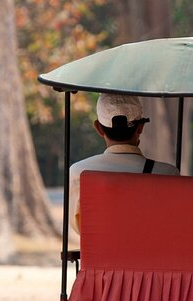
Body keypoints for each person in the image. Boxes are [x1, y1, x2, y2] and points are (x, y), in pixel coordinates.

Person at [68, 93, 179, 234]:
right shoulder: (167, 174)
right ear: (140, 127)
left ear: (98, 128)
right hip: (147, 255)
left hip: (101, 255)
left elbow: (79, 227)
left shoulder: (79, 172)